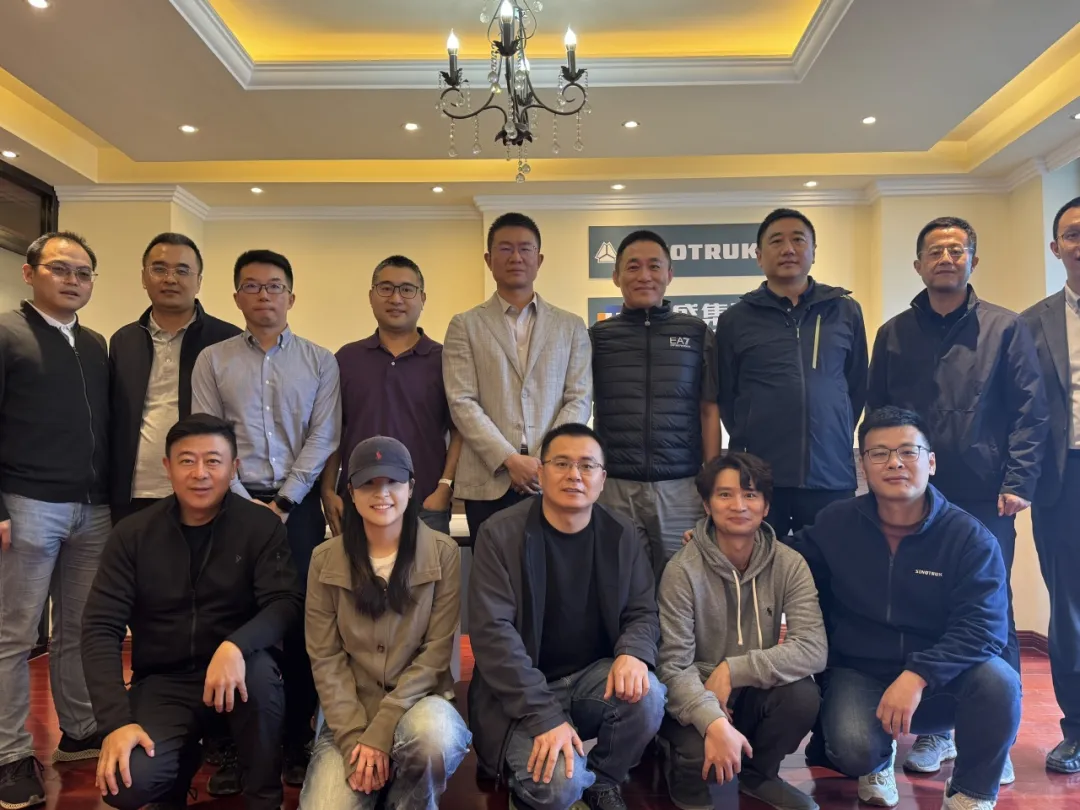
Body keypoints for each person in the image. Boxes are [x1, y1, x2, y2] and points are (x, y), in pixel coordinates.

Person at [867, 216, 1047, 774]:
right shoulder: (894, 333)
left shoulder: (1006, 327)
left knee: (991, 611)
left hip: (983, 494)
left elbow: (1030, 410)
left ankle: (993, 739)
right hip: (909, 493)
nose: (946, 258)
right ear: (918, 264)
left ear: (973, 259)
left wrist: (1019, 480)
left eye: (957, 249)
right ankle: (936, 730)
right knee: (923, 604)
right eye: (935, 251)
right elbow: (876, 413)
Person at [790, 406, 1020, 810]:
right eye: (879, 453)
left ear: (931, 462)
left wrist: (917, 675)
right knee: (852, 748)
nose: (894, 462)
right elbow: (784, 558)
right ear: (863, 466)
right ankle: (878, 759)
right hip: (862, 671)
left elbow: (984, 629)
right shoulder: (836, 523)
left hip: (941, 680)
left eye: (908, 451)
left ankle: (971, 791)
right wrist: (720, 541)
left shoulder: (969, 538)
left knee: (1000, 682)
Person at [80, 414, 303, 810]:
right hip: (164, 680)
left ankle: (264, 799)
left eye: (213, 461)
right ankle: (179, 767)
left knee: (261, 676)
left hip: (240, 674)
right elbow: (100, 628)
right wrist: (116, 723)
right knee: (126, 784)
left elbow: (285, 603)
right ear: (167, 467)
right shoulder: (133, 535)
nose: (200, 473)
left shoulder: (261, 527)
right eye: (187, 461)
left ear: (233, 468)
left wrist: (236, 645)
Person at [191, 249, 341, 785]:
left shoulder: (321, 361)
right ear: (236, 297)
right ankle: (234, 744)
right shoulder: (212, 360)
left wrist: (283, 502)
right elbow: (208, 433)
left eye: (274, 286)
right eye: (251, 286)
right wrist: (239, 499)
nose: (263, 296)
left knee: (302, 620)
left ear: (291, 297)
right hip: (229, 506)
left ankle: (297, 738)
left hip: (296, 509)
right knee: (230, 616)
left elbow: (324, 435)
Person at [468, 423, 664, 810]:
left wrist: (633, 652)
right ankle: (541, 781)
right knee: (559, 786)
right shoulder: (500, 534)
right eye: (561, 463)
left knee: (650, 695)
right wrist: (544, 715)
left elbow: (642, 610)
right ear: (540, 474)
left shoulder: (622, 533)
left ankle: (603, 780)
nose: (574, 474)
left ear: (602, 479)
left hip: (591, 679)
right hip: (521, 691)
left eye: (587, 466)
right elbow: (493, 636)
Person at [0, 232, 112, 810]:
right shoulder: (6, 334)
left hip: (93, 508)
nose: (73, 280)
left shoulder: (93, 343)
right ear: (30, 273)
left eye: (83, 273)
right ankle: (10, 753)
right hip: (27, 503)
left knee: (80, 628)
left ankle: (80, 730)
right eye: (60, 269)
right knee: (15, 635)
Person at [302, 436, 470, 809]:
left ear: (410, 487)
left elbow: (435, 654)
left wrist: (381, 733)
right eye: (369, 483)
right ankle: (377, 775)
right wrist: (354, 738)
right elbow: (325, 658)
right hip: (350, 715)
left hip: (419, 706)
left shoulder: (443, 553)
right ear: (351, 492)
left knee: (433, 738)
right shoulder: (323, 559)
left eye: (393, 481)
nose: (382, 494)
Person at [657, 452, 826, 810]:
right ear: (707, 505)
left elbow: (813, 648)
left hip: (751, 690)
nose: (738, 505)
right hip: (697, 693)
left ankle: (759, 774)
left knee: (802, 696)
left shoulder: (789, 563)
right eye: (725, 494)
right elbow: (672, 667)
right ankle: (678, 768)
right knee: (698, 765)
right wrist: (713, 720)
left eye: (750, 495)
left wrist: (733, 670)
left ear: (766, 507)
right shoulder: (682, 570)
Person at [716, 208, 868, 538]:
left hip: (830, 472)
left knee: (829, 563)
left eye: (798, 240)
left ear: (813, 251)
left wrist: (833, 427)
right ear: (759, 256)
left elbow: (856, 386)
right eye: (776, 241)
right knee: (760, 562)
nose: (788, 249)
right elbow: (728, 395)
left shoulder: (845, 311)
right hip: (760, 477)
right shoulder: (735, 319)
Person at [443, 212, 592, 539]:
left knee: (555, 567)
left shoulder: (570, 326)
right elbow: (462, 402)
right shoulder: (464, 325)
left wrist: (544, 460)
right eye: (505, 248)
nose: (516, 257)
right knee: (493, 568)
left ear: (539, 260)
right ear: (488, 260)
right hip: (489, 478)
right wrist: (509, 459)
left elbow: (579, 398)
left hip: (554, 477)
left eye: (525, 249)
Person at [591, 230, 720, 579]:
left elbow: (709, 409)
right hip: (615, 487)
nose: (644, 276)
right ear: (616, 276)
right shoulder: (598, 338)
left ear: (669, 274)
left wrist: (712, 479)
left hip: (681, 488)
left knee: (683, 584)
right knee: (620, 584)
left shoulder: (696, 333)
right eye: (633, 267)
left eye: (654, 266)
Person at [323, 255, 462, 538]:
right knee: (353, 569)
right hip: (358, 502)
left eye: (407, 289)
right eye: (385, 288)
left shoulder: (445, 359)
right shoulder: (347, 359)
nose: (396, 298)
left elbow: (460, 430)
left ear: (422, 298)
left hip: (425, 503)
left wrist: (445, 488)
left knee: (426, 569)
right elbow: (331, 431)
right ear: (371, 296)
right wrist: (327, 490)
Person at [109, 232, 241, 524]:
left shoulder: (228, 340)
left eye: (182, 271)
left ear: (199, 281)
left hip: (205, 487)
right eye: (159, 269)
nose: (170, 279)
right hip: (135, 490)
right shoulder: (123, 340)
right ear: (144, 277)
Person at [1019, 195, 1080, 774]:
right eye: (1074, 233)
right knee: (1069, 610)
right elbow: (1019, 409)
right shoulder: (1031, 323)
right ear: (1056, 246)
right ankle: (1077, 728)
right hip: (1064, 482)